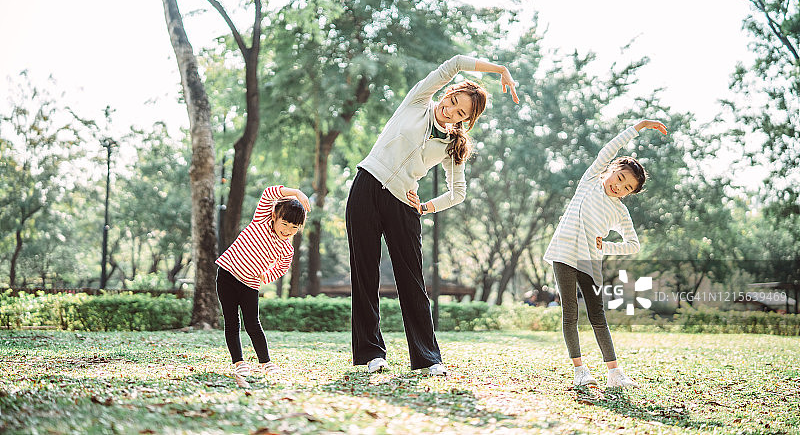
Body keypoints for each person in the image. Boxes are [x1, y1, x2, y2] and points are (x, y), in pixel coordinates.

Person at [347, 55, 518, 376]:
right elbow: (454, 63)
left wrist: (426, 207)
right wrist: (500, 71)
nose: (450, 109)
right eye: (452, 101)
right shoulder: (418, 101)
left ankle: (427, 358)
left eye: (460, 112)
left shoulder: (453, 145)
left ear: (466, 120)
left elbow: (458, 192)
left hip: (403, 204)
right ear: (446, 93)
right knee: (364, 274)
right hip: (366, 187)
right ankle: (370, 354)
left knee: (412, 282)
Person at [543, 119, 667, 388]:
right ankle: (580, 371)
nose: (619, 187)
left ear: (630, 194)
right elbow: (609, 149)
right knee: (570, 313)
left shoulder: (620, 211)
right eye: (619, 178)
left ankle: (614, 373)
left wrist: (606, 246)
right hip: (564, 252)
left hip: (590, 261)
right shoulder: (590, 181)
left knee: (597, 315)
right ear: (611, 170)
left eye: (627, 188)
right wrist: (639, 126)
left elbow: (633, 244)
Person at [215, 185, 311, 388]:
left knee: (253, 324)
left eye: (294, 228)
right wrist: (296, 193)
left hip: (250, 285)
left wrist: (264, 278)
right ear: (275, 216)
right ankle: (239, 362)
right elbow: (269, 193)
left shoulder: (287, 248)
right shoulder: (261, 220)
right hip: (227, 276)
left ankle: (265, 362)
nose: (288, 231)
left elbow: (281, 269)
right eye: (284, 224)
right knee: (232, 322)